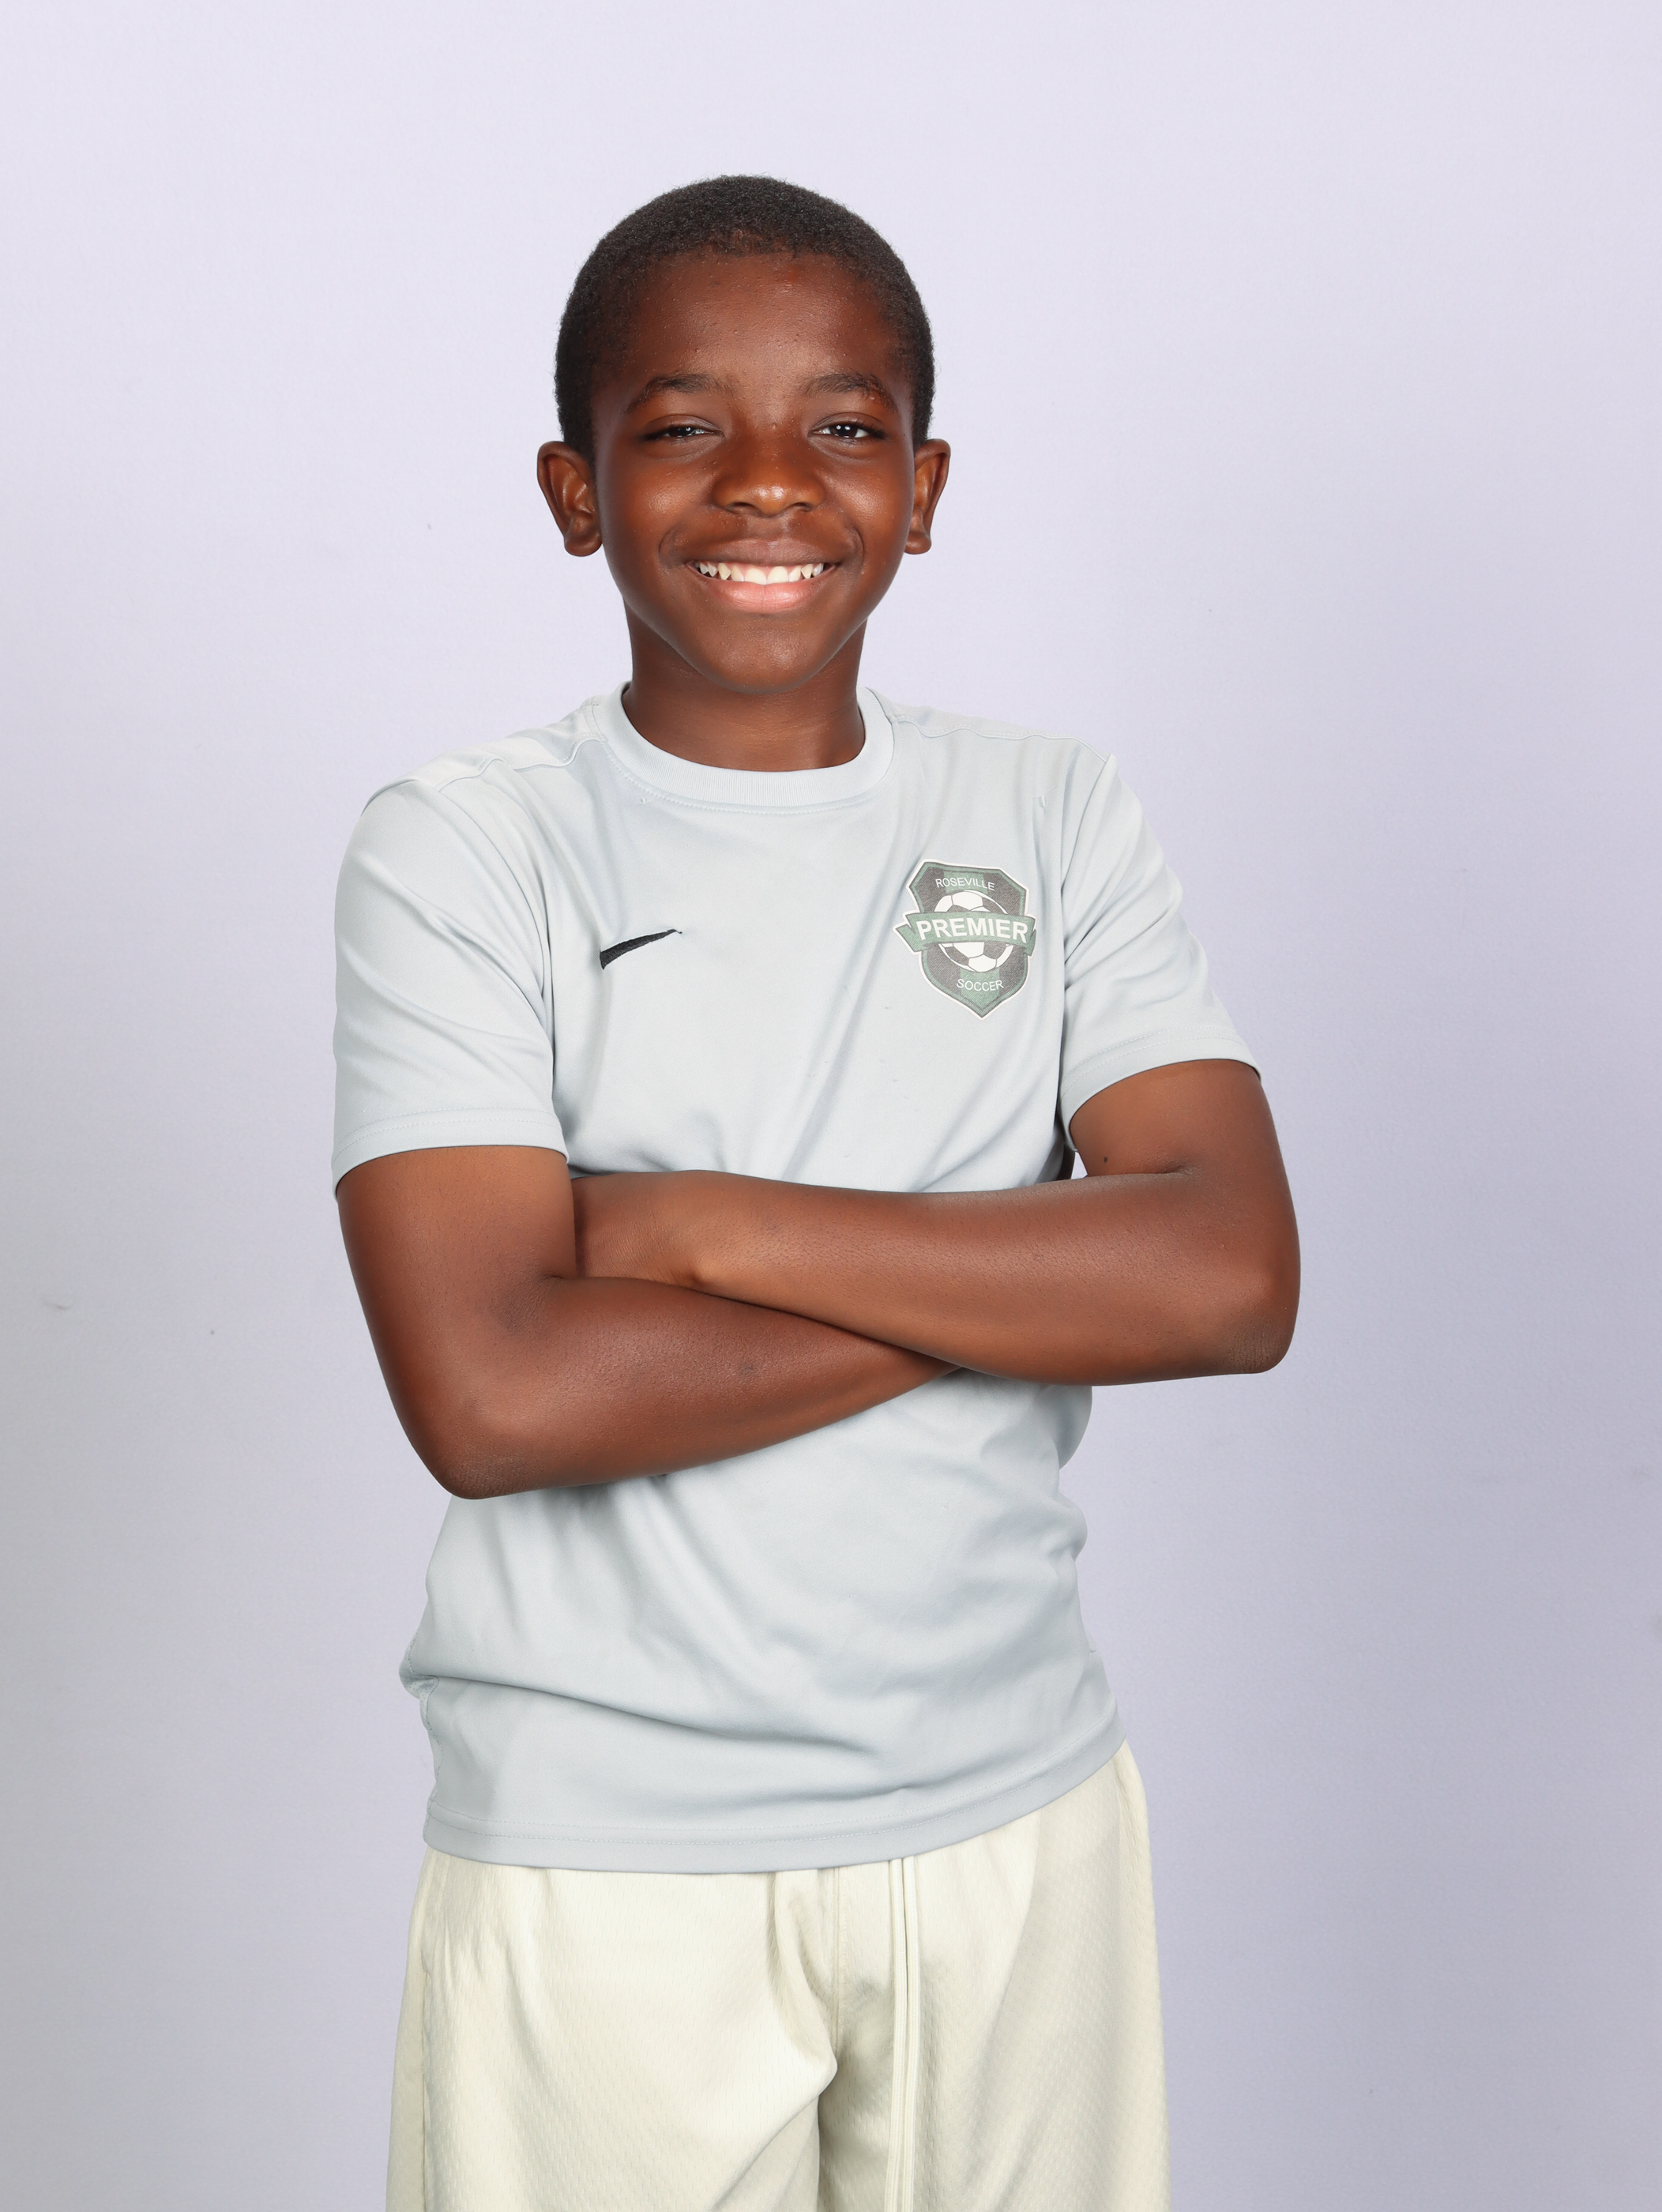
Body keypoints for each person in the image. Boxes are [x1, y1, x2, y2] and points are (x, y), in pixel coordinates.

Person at [333, 174, 1299, 2212]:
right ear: (576, 491)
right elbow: (497, 1397)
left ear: (924, 489)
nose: (769, 482)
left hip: (1018, 1811)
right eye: (685, 426)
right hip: (610, 1854)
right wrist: (1022, 1265)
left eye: (843, 427)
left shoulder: (1052, 810)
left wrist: (697, 1227)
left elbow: (1226, 1279)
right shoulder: (465, 848)